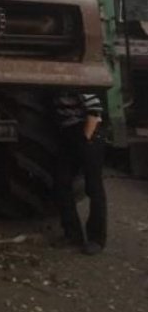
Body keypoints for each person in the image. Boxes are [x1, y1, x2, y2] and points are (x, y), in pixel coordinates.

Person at [52, 91, 107, 255]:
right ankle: (72, 234)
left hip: (87, 132)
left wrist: (86, 139)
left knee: (94, 188)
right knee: (61, 184)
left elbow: (94, 109)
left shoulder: (77, 80)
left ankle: (96, 240)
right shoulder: (53, 87)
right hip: (67, 135)